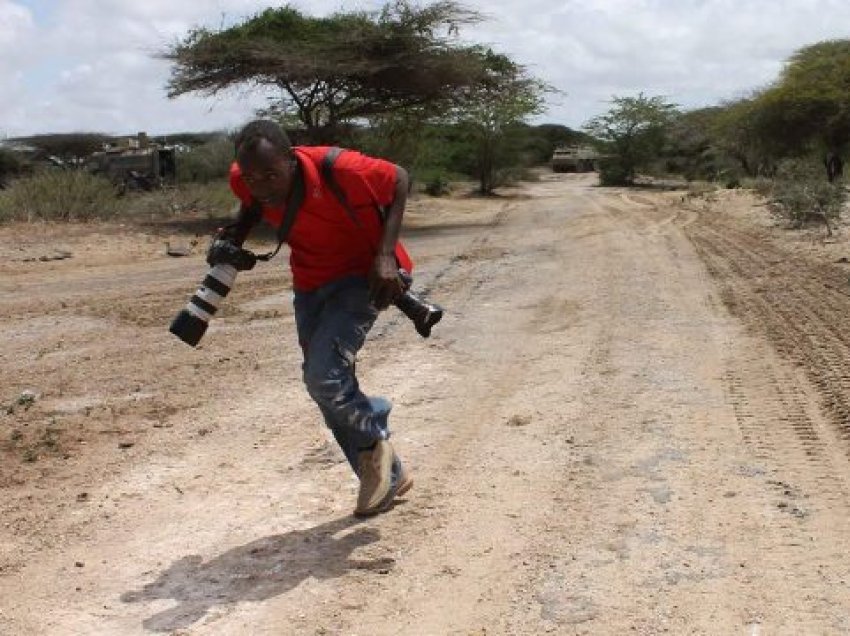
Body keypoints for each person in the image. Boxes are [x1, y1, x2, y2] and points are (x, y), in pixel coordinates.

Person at [212, 120, 418, 517]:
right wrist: (230, 236)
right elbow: (250, 206)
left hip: (366, 277)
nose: (262, 184)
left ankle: (375, 439)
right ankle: (389, 474)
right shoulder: (245, 179)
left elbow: (400, 180)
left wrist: (387, 253)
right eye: (252, 176)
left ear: (291, 160)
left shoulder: (342, 169)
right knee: (325, 383)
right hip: (310, 283)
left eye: (271, 174)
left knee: (324, 378)